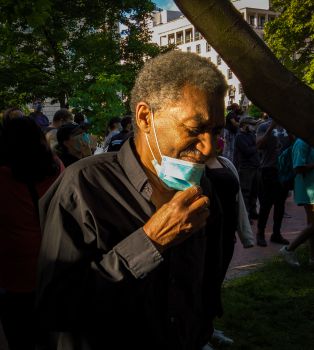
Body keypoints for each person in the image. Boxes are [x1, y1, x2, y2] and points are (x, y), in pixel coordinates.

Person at [36, 50, 230, 350]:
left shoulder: (204, 185)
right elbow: (57, 307)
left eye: (216, 131)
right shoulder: (84, 186)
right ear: (144, 117)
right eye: (194, 130)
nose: (209, 149)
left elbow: (205, 279)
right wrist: (150, 242)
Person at [0, 117, 63, 350]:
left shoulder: (3, 177)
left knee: (20, 337)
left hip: (15, 270)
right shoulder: (56, 167)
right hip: (54, 259)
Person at [255, 118, 290, 246]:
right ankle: (260, 234)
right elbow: (259, 145)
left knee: (280, 205)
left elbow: (293, 144)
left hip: (283, 171)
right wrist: (271, 128)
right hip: (268, 169)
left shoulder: (287, 125)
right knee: (266, 204)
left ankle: (276, 234)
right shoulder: (263, 126)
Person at [279, 139, 314, 266]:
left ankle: (312, 259)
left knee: (312, 226)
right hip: (308, 190)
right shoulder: (302, 143)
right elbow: (298, 168)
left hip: (311, 188)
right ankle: (289, 249)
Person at [234, 116, 260, 222]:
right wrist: (257, 146)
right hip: (246, 168)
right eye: (252, 124)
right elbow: (247, 151)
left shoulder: (251, 135)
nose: (254, 127)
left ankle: (253, 212)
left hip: (255, 166)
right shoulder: (239, 137)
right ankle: (246, 216)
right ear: (244, 125)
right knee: (245, 193)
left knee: (254, 192)